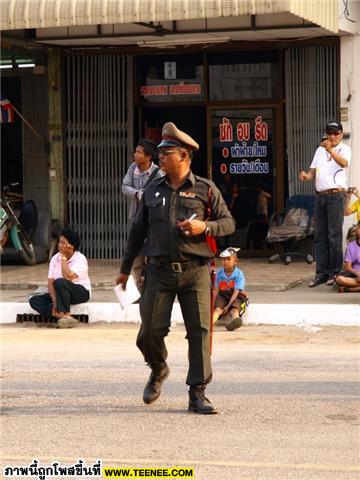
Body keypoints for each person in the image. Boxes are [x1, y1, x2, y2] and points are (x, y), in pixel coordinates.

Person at [116, 122, 235, 415]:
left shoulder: (205, 189)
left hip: (195, 271)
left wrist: (203, 226)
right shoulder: (152, 190)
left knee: (200, 332)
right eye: (159, 152)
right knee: (150, 332)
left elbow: (229, 222)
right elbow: (136, 231)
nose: (160, 157)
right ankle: (158, 368)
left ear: (183, 156)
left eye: (166, 152)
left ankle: (198, 392)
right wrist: (124, 267)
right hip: (158, 271)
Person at [299, 121, 351, 287]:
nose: (332, 136)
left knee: (334, 237)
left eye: (336, 133)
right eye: (330, 133)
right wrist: (306, 176)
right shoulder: (319, 150)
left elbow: (344, 163)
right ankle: (321, 273)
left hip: (336, 195)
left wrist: (330, 150)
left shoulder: (344, 149)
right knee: (320, 236)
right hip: (320, 196)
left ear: (341, 134)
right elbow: (313, 171)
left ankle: (334, 273)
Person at [29, 229, 91, 328]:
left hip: (80, 292)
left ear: (72, 246)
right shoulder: (54, 259)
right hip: (60, 293)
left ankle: (67, 313)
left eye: (63, 243)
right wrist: (54, 301)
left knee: (60, 282)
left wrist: (63, 257)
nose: (59, 245)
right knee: (34, 300)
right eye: (59, 242)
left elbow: (68, 277)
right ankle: (60, 316)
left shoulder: (80, 259)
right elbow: (50, 282)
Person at [122, 139, 162, 290]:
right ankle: (140, 290)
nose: (135, 155)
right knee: (137, 256)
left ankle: (152, 288)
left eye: (139, 152)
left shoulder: (158, 172)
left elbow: (163, 192)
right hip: (136, 218)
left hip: (153, 221)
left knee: (151, 256)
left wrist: (149, 196)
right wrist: (137, 193)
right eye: (136, 151)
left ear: (148, 157)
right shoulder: (133, 168)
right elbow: (124, 187)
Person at [213, 247, 248, 331]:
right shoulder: (219, 273)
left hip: (236, 295)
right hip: (223, 295)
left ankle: (236, 320)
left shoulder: (239, 274)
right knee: (217, 309)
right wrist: (213, 303)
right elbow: (216, 290)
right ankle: (210, 324)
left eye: (228, 259)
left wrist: (228, 306)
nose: (225, 262)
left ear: (236, 261)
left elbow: (236, 292)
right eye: (223, 260)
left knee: (234, 310)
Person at [335, 221, 360, 293]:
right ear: (357, 230)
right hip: (355, 275)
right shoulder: (351, 246)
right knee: (339, 279)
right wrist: (358, 274)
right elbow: (348, 267)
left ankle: (350, 289)